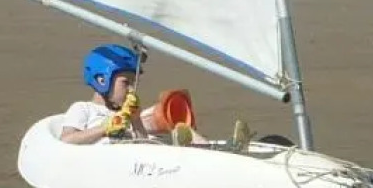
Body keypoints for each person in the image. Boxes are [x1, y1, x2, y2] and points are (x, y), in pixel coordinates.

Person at [59, 45, 245, 150]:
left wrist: (135, 119)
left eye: (133, 83)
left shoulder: (125, 112)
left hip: (137, 158)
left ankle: (222, 149)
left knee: (182, 130)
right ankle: (211, 151)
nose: (132, 89)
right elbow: (66, 141)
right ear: (102, 80)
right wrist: (103, 129)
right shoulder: (82, 108)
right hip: (114, 162)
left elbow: (141, 142)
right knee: (174, 143)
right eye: (126, 83)